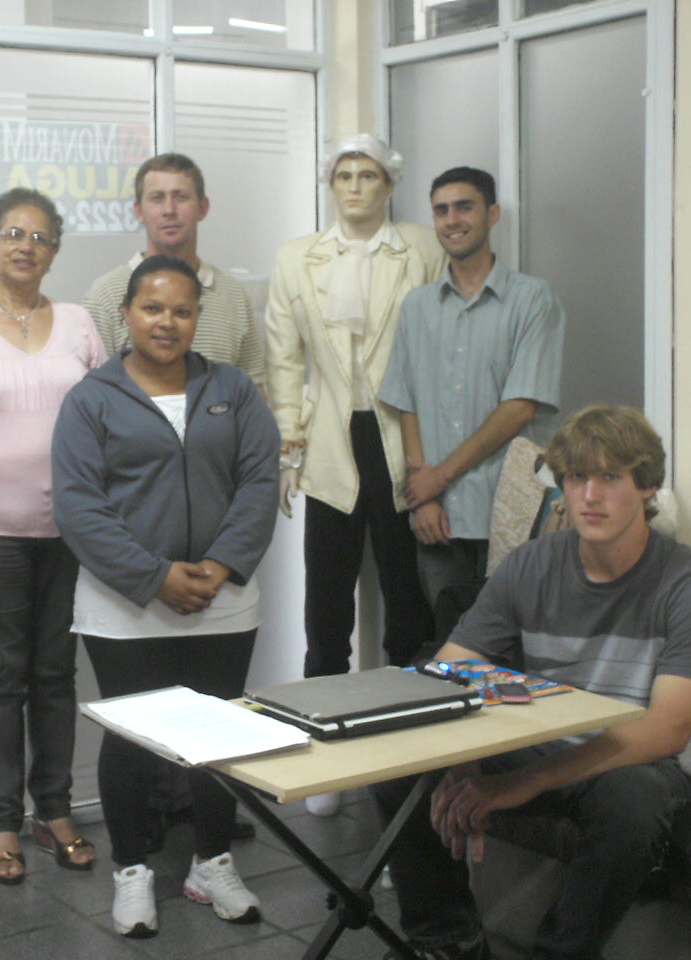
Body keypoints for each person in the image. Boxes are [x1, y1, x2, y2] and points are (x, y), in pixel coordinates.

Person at [373, 404, 691, 960]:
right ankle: (447, 941)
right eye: (577, 477)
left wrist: (521, 784)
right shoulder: (530, 564)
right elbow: (447, 673)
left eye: (610, 477)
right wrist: (462, 761)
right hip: (538, 741)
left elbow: (666, 731)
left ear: (647, 486)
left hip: (632, 762)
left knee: (633, 799)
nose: (590, 495)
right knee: (399, 756)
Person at [53, 255, 279, 939]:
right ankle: (132, 871)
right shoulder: (90, 398)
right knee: (133, 741)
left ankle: (212, 863)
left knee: (217, 737)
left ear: (197, 319)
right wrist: (156, 577)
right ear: (126, 313)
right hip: (124, 604)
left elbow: (259, 482)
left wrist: (219, 564)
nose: (167, 322)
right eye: (152, 308)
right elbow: (79, 506)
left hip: (223, 596)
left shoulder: (233, 389)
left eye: (182, 311)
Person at [265, 135, 441, 817]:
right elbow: (285, 357)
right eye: (344, 175)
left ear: (390, 184)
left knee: (407, 601)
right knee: (327, 604)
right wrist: (288, 445)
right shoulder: (297, 257)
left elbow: (435, 345)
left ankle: (404, 760)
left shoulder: (419, 249)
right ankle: (326, 757)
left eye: (369, 175)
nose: (356, 186)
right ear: (329, 184)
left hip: (403, 438)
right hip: (331, 442)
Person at [0, 187, 105, 884]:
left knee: (55, 674)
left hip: (68, 531)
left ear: (54, 252)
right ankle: (1, 820)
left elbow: (105, 418)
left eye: (40, 237)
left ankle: (55, 810)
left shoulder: (78, 323)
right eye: (12, 233)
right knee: (0, 676)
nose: (25, 246)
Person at [379, 166, 565, 626]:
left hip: (516, 511)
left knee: (517, 647)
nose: (452, 220)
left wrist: (437, 478)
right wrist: (423, 497)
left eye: (465, 207)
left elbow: (520, 407)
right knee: (452, 645)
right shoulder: (418, 306)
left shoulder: (533, 299)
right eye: (441, 210)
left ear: (492, 214)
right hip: (441, 519)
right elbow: (407, 403)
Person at [82, 153, 264, 384]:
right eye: (157, 198)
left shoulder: (233, 295)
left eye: (181, 197)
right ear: (139, 211)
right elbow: (92, 393)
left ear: (203, 208)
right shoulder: (105, 295)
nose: (169, 209)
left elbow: (254, 388)